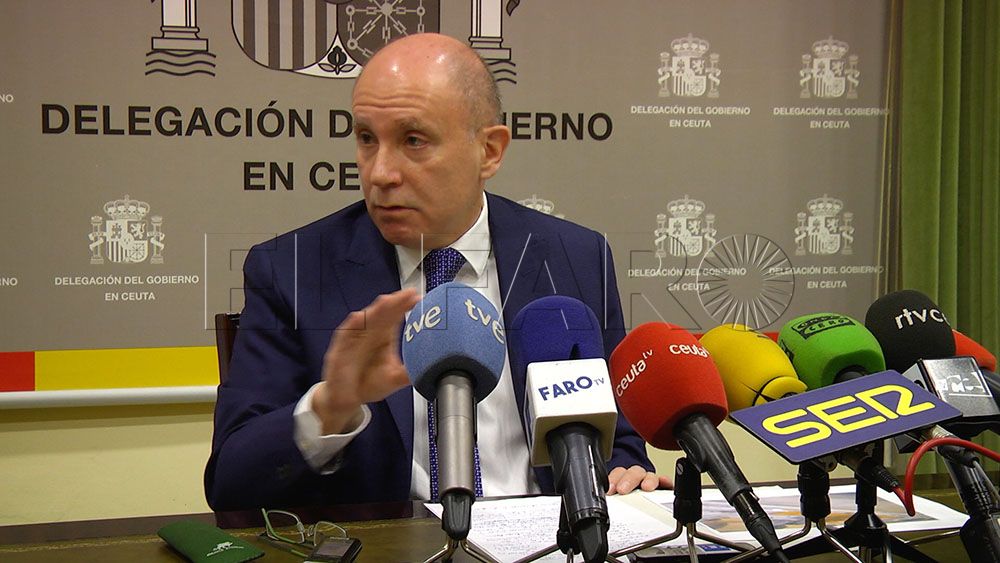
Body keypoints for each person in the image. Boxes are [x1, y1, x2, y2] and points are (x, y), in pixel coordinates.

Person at [205, 33, 667, 511]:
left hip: (551, 537)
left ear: (489, 151)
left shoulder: (575, 258)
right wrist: (328, 408)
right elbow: (231, 485)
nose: (380, 173)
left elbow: (617, 442)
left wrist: (626, 475)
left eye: (414, 141)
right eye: (367, 139)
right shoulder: (292, 271)